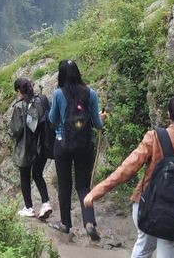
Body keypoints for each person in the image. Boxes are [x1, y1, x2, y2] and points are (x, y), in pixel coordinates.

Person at [84, 94, 174, 258]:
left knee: (144, 248)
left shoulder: (154, 137)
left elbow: (127, 169)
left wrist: (96, 192)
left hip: (147, 207)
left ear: (169, 114)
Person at [47, 59, 107, 240]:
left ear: (61, 74)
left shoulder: (58, 94)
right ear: (78, 73)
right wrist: (101, 117)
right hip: (85, 145)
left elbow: (52, 119)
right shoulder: (91, 93)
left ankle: (65, 224)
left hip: (63, 145)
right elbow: (97, 124)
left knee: (65, 185)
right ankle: (89, 222)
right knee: (83, 185)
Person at [10, 78, 52, 220]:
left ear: (19, 91)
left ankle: (29, 207)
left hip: (26, 147)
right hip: (43, 144)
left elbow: (16, 130)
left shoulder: (19, 107)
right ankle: (46, 203)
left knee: (25, 176)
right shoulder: (42, 100)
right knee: (38, 174)